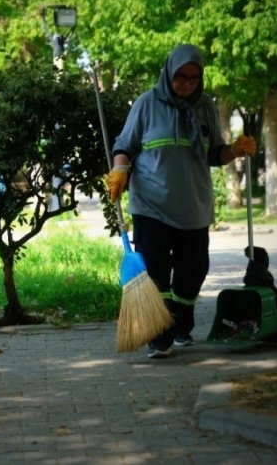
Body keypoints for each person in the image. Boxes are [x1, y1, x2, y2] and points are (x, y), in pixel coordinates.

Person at [106, 44, 256, 359]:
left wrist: (235, 150)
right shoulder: (147, 104)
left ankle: (180, 327)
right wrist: (120, 170)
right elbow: (124, 144)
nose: (186, 83)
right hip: (152, 206)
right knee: (157, 273)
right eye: (180, 77)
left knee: (193, 271)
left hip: (194, 207)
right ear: (168, 73)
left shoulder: (206, 108)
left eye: (193, 77)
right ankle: (159, 337)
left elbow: (215, 153)